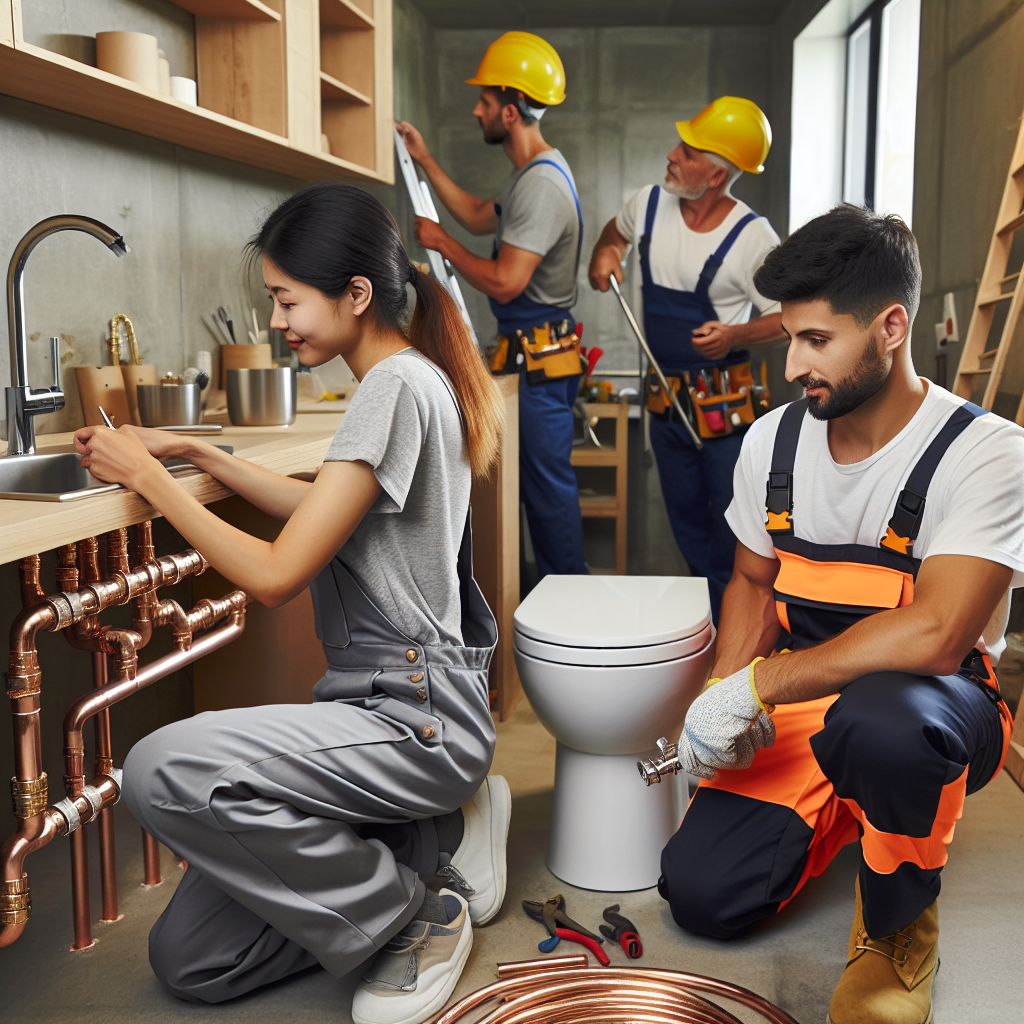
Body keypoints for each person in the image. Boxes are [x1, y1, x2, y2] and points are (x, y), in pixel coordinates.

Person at [74, 182, 513, 1024]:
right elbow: (316, 512)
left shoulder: (390, 386)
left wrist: (151, 478)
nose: (276, 322)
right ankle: (428, 840)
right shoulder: (404, 378)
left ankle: (414, 916)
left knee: (161, 768)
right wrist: (200, 449)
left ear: (356, 295)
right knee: (193, 959)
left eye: (286, 300)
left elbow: (278, 575)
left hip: (414, 715)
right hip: (391, 707)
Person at [659, 205, 1019, 1024]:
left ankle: (898, 930)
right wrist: (724, 694)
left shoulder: (985, 451)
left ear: (890, 327)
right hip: (812, 698)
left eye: (815, 340)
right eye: (788, 337)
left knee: (882, 723)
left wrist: (764, 683)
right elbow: (753, 582)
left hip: (935, 700)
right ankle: (853, 803)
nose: (791, 365)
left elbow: (937, 633)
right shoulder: (771, 445)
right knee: (701, 895)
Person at [396, 31, 587, 579]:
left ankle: (568, 604)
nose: (475, 108)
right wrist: (426, 160)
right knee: (537, 491)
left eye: (483, 101)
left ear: (509, 111)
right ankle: (553, 599)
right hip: (527, 356)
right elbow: (482, 214)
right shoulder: (529, 176)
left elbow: (505, 282)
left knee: (548, 495)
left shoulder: (544, 185)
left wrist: (442, 245)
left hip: (542, 360)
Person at [589, 97, 786, 620]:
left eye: (689, 151)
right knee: (684, 520)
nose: (673, 154)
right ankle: (717, 628)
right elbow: (613, 236)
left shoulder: (753, 239)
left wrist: (734, 334)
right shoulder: (647, 205)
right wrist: (607, 254)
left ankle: (739, 643)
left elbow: (792, 317)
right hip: (665, 405)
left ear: (717, 173)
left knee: (731, 529)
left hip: (723, 412)